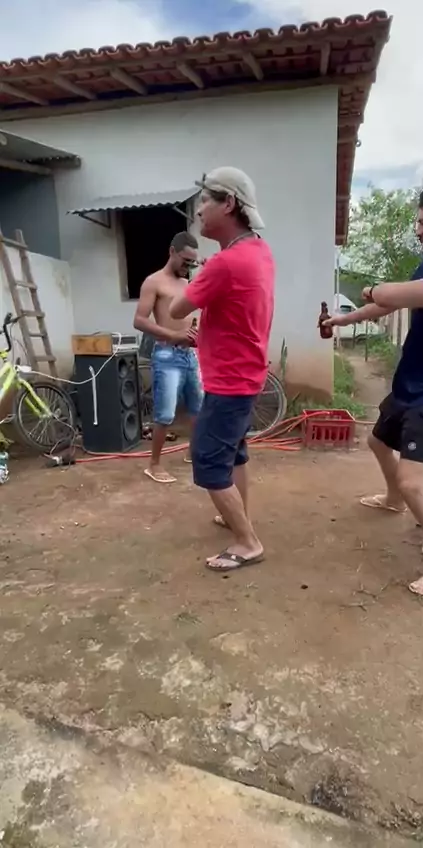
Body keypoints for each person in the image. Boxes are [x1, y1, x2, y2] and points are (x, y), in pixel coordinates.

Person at [324, 173, 423, 598]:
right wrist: (344, 319)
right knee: (378, 442)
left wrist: (373, 287)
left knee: (415, 482)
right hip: (411, 383)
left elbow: (390, 294)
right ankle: (393, 499)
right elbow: (387, 304)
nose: (417, 230)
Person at [170, 166, 275, 572]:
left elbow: (177, 309)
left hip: (229, 381)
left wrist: (194, 276)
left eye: (204, 201)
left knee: (209, 461)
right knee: (235, 453)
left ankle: (247, 542)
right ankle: (238, 517)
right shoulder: (259, 250)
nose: (198, 210)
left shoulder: (224, 263)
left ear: (229, 203)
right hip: (247, 374)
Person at [133, 231, 203, 484]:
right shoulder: (153, 282)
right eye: (185, 261)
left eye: (192, 263)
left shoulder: (187, 283)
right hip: (166, 354)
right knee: (165, 414)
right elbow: (139, 320)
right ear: (172, 252)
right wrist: (174, 335)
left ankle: (194, 453)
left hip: (190, 354)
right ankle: (154, 465)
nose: (189, 266)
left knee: (198, 408)